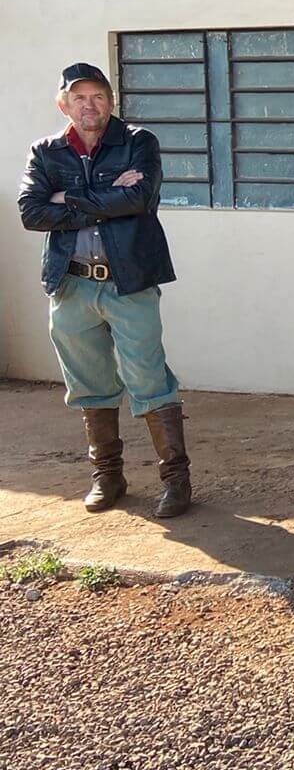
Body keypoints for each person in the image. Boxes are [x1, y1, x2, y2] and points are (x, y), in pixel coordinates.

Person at [17, 62, 193, 518]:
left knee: (150, 379)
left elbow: (139, 199)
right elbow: (31, 212)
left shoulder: (139, 142)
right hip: (71, 282)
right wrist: (102, 198)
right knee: (89, 384)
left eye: (97, 96)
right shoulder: (46, 151)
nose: (88, 105)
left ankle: (176, 481)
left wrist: (66, 199)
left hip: (128, 281)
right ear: (64, 104)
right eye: (79, 98)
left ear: (111, 101)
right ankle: (108, 477)